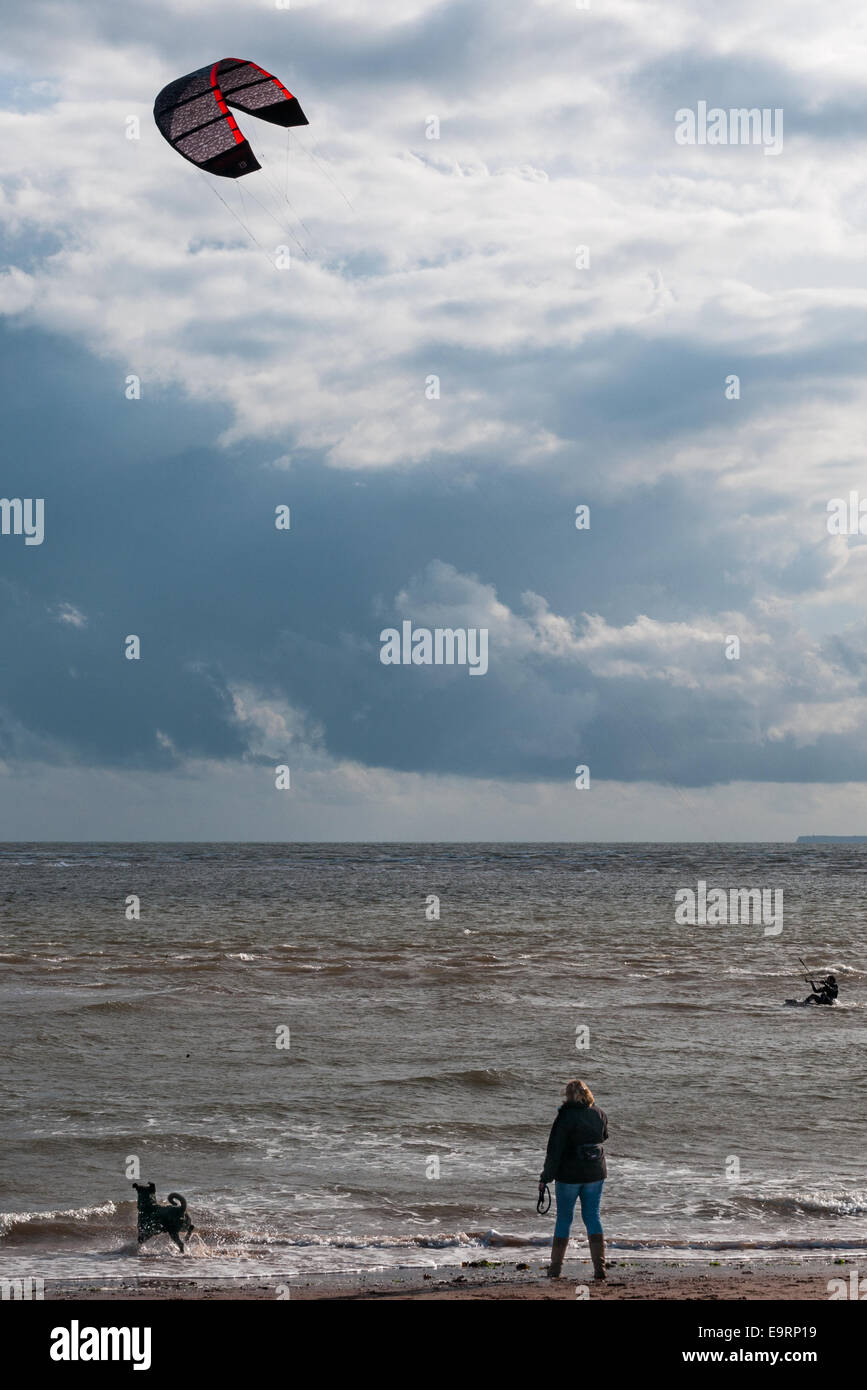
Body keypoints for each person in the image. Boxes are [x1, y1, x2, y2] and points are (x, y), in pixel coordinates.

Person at [539, 1078, 609, 1280]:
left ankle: (555, 1270)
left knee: (564, 1219)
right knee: (593, 1217)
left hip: (569, 1175)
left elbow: (554, 1151)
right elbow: (604, 1136)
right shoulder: (599, 1113)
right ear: (587, 1093)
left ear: (568, 1096)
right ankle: (600, 1269)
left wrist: (545, 1178)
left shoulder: (564, 1116)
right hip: (595, 1173)